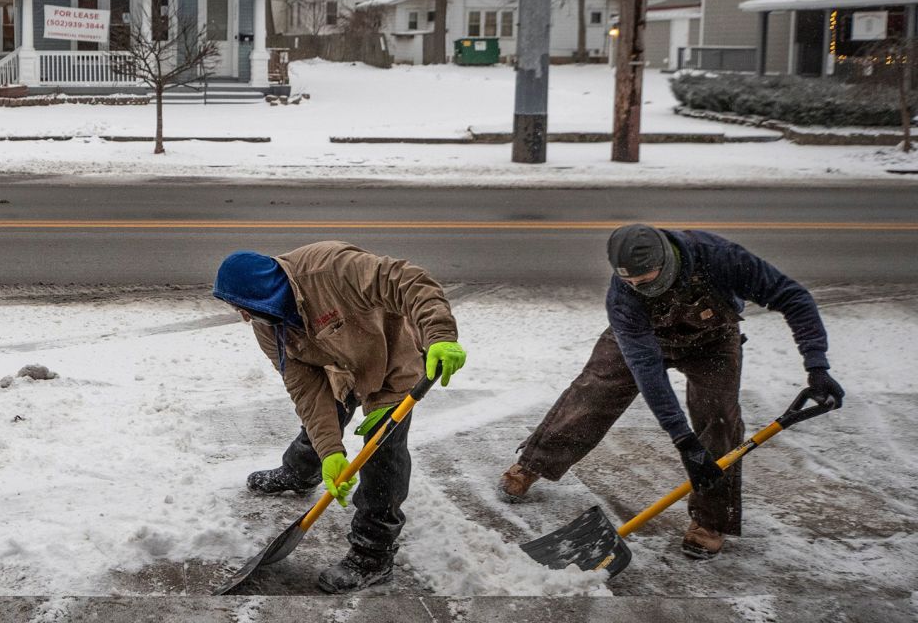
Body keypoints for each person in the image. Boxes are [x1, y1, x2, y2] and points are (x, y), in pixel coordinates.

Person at [499, 224, 843, 559]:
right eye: (628, 281)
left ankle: (710, 521)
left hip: (713, 339)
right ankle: (534, 463)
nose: (636, 287)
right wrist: (682, 439)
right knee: (593, 394)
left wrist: (817, 365)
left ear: (664, 264)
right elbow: (647, 370)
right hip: (646, 341)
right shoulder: (623, 298)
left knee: (719, 420)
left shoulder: (721, 258)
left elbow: (792, 296)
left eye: (644, 281)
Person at [213, 241, 467, 593]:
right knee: (319, 424)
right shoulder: (269, 326)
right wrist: (331, 451)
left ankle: (373, 554)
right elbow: (306, 390)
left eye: (244, 308)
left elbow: (407, 280)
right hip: (340, 367)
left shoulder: (331, 270)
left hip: (391, 362)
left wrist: (440, 335)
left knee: (381, 455)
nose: (243, 317)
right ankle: (302, 471)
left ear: (266, 293)